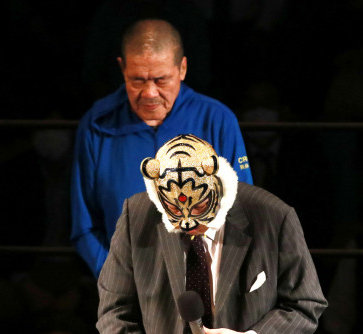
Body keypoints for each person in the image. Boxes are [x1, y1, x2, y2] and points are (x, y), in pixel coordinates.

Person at [97, 134, 327, 334]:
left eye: (199, 207)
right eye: (173, 210)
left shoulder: (272, 215)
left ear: (217, 185)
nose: (188, 221)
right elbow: (113, 309)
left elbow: (306, 304)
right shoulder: (138, 215)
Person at [71, 18, 252, 278]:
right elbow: (84, 225)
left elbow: (241, 214)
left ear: (182, 68)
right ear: (122, 69)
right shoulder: (96, 125)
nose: (150, 93)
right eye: (137, 80)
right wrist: (117, 280)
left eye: (161, 80)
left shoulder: (218, 120)